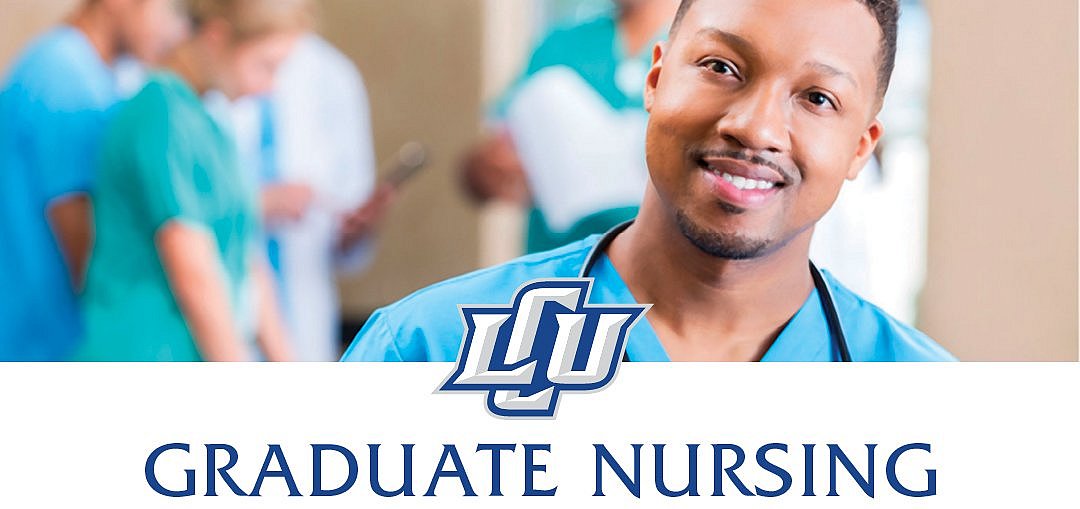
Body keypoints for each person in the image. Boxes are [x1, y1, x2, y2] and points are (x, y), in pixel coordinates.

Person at [344, 0, 955, 362]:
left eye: (818, 98)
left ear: (860, 148)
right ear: (656, 80)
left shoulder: (929, 409)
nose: (756, 127)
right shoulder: (428, 348)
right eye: (720, 67)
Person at [75, 0, 314, 361]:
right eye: (265, 66)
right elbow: (195, 276)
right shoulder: (161, 115)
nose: (270, 88)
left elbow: (243, 255)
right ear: (216, 37)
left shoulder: (209, 121)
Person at [0, 0, 185, 361]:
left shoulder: (81, 72)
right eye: (166, 9)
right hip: (49, 349)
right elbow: (90, 256)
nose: (172, 31)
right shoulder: (63, 80)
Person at [218, 34, 393, 361]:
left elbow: (347, 246)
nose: (268, 86)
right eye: (266, 67)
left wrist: (357, 225)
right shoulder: (201, 72)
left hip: (303, 320)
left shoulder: (333, 75)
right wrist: (256, 204)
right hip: (216, 320)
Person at [462, 0, 680, 254]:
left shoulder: (708, 49)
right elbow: (499, 145)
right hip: (561, 263)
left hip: (663, 264)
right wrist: (490, 169)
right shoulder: (561, 44)